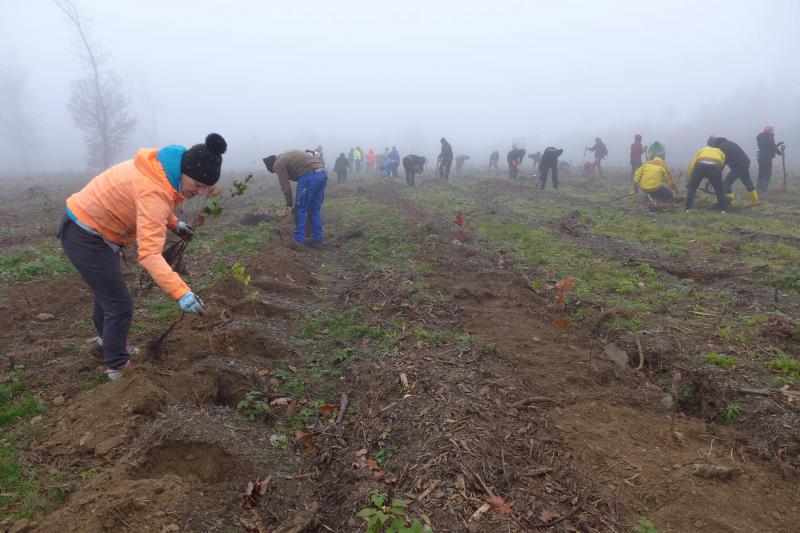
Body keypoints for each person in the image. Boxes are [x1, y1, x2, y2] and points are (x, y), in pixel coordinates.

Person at [60, 133, 225, 380]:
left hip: (92, 227)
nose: (200, 192)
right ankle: (118, 369)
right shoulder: (154, 190)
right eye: (198, 184)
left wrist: (174, 224)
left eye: (205, 187)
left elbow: (159, 203)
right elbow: (149, 254)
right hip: (85, 234)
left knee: (108, 292)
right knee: (119, 303)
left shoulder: (163, 171)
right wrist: (181, 292)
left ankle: (107, 343)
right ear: (185, 171)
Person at [263, 149, 328, 247]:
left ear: (272, 166)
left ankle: (298, 241)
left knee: (300, 209)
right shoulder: (287, 155)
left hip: (309, 176)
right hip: (322, 173)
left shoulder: (278, 164)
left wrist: (289, 205)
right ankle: (317, 240)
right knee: (314, 210)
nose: (276, 172)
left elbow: (286, 187)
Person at [709, 135, 759, 206]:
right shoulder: (726, 143)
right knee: (747, 182)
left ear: (713, 144)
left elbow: (721, 164)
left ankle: (728, 203)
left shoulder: (721, 148)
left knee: (726, 183)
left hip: (739, 165)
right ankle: (755, 202)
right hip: (744, 163)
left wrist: (715, 175)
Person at [685, 142, 727, 213]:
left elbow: (692, 164)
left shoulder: (701, 150)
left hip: (700, 166)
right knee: (720, 190)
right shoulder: (720, 152)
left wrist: (689, 180)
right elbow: (721, 165)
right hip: (715, 167)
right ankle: (723, 210)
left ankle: (687, 209)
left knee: (692, 188)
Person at [756, 126, 785, 193]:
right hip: (767, 158)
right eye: (771, 130)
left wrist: (776, 145)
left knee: (761, 172)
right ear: (768, 131)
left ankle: (758, 188)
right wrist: (780, 153)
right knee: (767, 173)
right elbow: (772, 147)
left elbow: (767, 146)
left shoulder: (761, 136)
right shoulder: (770, 137)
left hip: (760, 157)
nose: (773, 131)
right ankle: (764, 190)